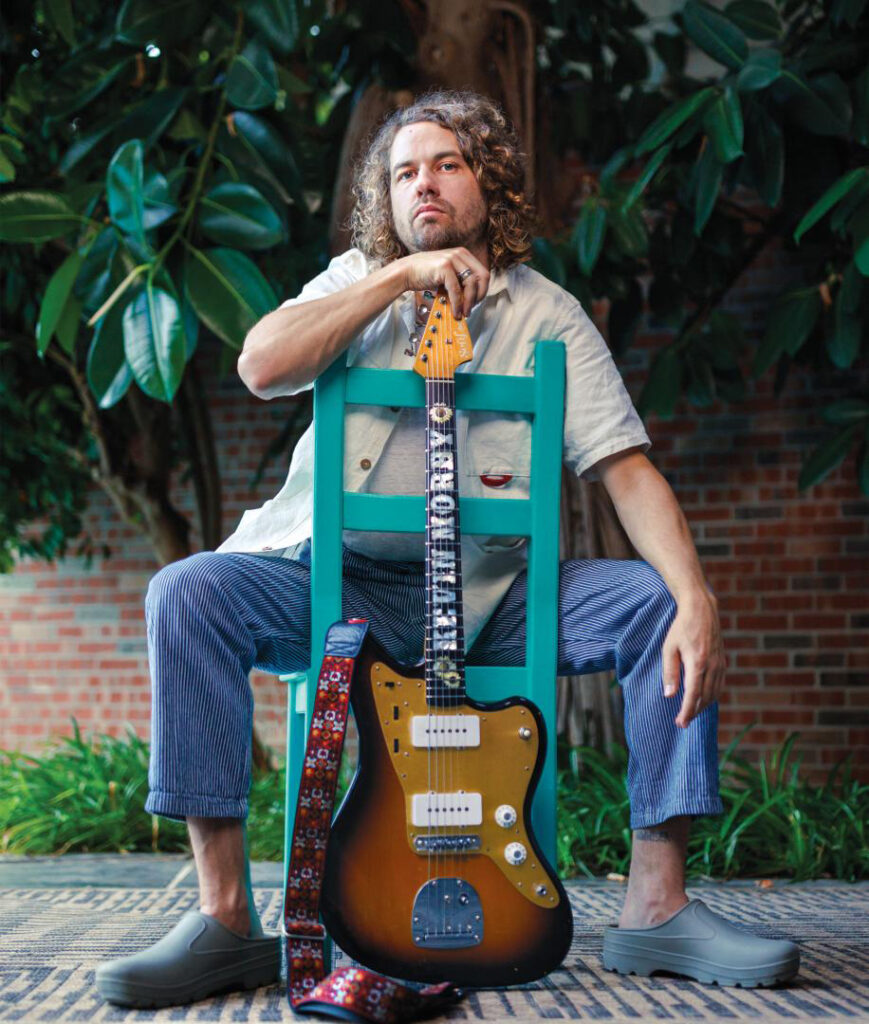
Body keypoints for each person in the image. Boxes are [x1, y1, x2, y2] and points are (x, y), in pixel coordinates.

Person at [96, 90, 799, 1008]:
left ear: (488, 183)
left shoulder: (548, 314)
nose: (421, 182)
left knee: (659, 606)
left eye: (445, 164)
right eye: (402, 172)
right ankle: (226, 920)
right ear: (384, 202)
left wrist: (697, 596)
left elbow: (626, 472)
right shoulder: (354, 279)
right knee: (184, 593)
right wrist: (396, 279)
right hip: (328, 590)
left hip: (488, 598)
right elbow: (261, 364)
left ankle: (656, 910)